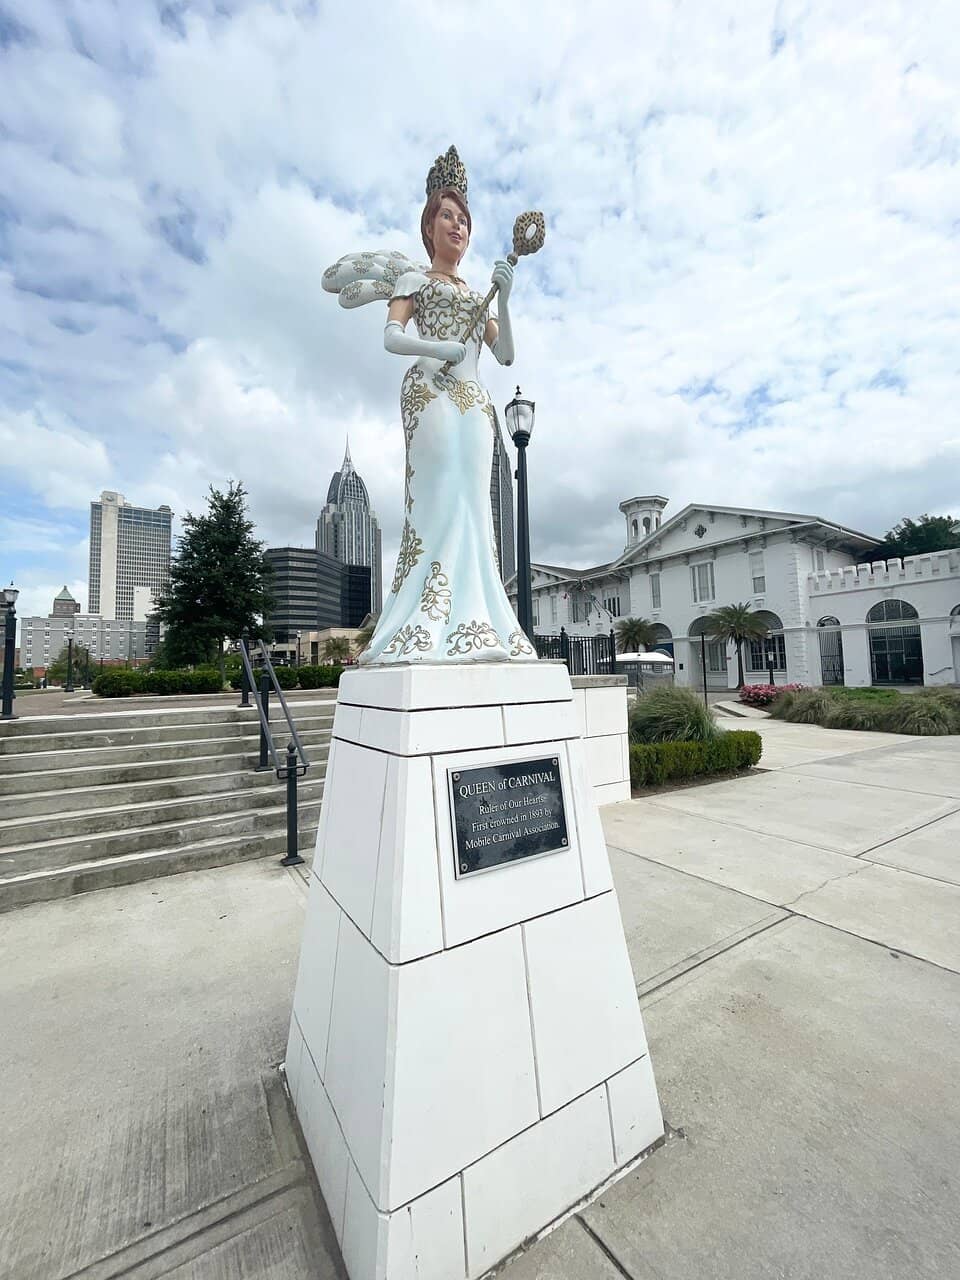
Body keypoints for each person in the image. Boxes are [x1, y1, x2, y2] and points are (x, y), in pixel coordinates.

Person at [322, 146, 536, 666]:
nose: (457, 226)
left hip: (474, 400)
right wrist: (436, 348)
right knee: (438, 495)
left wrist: (505, 299)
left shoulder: (477, 292)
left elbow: (505, 354)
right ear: (429, 225)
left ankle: (479, 619)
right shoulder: (415, 279)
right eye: (447, 216)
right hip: (430, 391)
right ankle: (426, 620)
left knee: (475, 502)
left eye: (464, 219)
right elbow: (392, 336)